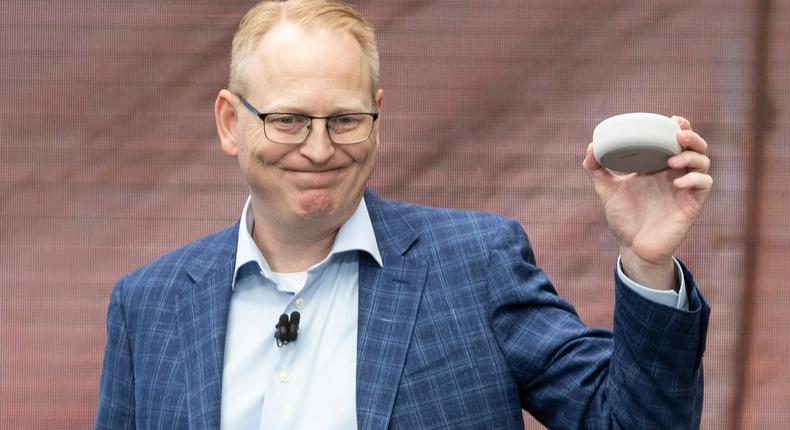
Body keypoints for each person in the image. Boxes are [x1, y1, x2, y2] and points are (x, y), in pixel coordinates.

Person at [94, 0, 713, 429]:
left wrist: (648, 261)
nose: (318, 148)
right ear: (231, 122)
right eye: (287, 120)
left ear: (378, 116)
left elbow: (630, 420)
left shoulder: (475, 265)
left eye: (344, 120)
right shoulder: (148, 307)